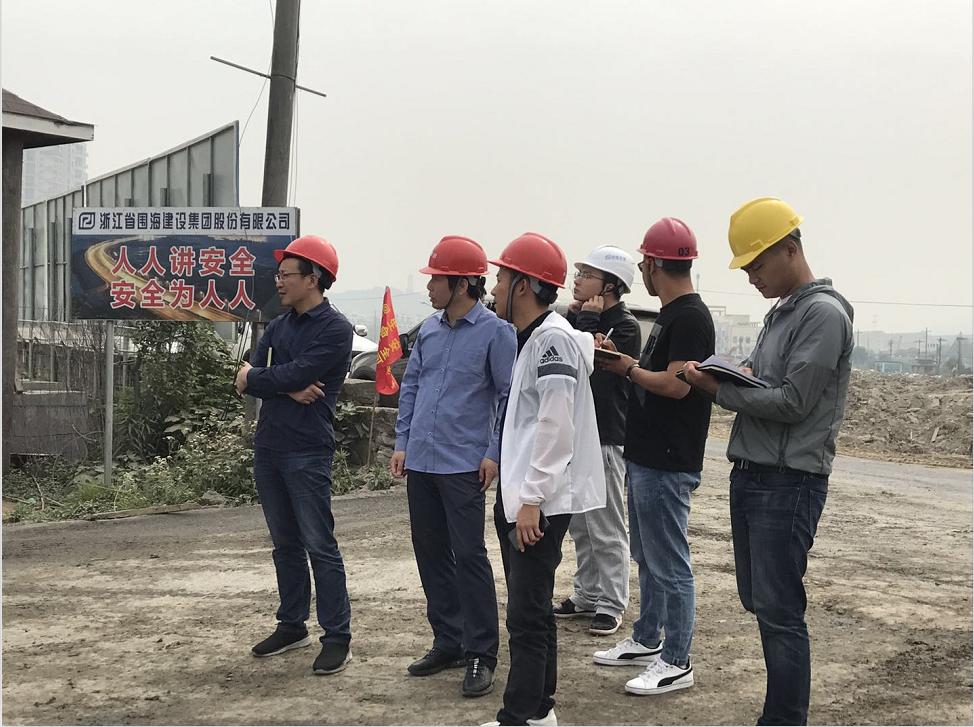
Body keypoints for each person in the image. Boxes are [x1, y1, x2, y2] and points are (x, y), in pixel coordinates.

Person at [683, 198, 853, 725]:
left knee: (780, 611)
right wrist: (734, 374)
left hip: (789, 481)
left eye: (756, 264)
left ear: (790, 250)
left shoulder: (823, 315)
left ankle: (783, 719)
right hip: (755, 473)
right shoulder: (783, 313)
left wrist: (718, 389)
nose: (752, 277)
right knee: (759, 600)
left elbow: (794, 402)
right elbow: (767, 382)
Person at [483, 232, 606, 727]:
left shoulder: (552, 340)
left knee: (525, 616)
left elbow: (556, 426)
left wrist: (531, 499)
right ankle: (539, 710)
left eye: (501, 278)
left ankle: (517, 716)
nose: (494, 288)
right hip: (523, 497)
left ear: (524, 285)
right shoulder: (534, 337)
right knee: (531, 609)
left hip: (540, 502)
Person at [390, 236, 517, 698]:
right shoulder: (429, 329)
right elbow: (411, 387)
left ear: (462, 284)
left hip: (464, 464)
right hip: (422, 460)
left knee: (469, 556)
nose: (429, 287)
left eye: (435, 280)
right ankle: (449, 640)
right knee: (430, 552)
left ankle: (482, 651)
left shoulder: (497, 333)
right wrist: (402, 442)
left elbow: (508, 396)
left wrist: (494, 452)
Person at [593, 218, 714, 696]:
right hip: (648, 455)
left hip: (668, 459)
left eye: (644, 262)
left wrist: (626, 369)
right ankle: (647, 639)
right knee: (647, 556)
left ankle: (677, 660)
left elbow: (676, 385)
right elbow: (656, 371)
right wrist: (624, 362)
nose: (642, 270)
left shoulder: (690, 318)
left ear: (653, 265)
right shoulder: (671, 314)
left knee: (670, 563)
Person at [235, 235, 355, 675]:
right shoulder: (278, 326)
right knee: (285, 545)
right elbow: (244, 376)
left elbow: (281, 373)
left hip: (307, 449)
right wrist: (283, 386)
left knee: (319, 545)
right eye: (279, 274)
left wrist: (264, 379)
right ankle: (291, 625)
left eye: (287, 275)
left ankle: (337, 636)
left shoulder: (335, 329)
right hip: (269, 446)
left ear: (313, 278)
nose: (279, 282)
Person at [553, 246, 641, 636]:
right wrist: (581, 320)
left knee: (606, 523)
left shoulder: (625, 326)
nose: (577, 281)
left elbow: (589, 366)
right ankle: (587, 594)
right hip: (575, 433)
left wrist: (587, 323)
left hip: (605, 435)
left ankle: (612, 602)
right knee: (579, 524)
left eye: (586, 275)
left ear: (609, 285)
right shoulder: (578, 319)